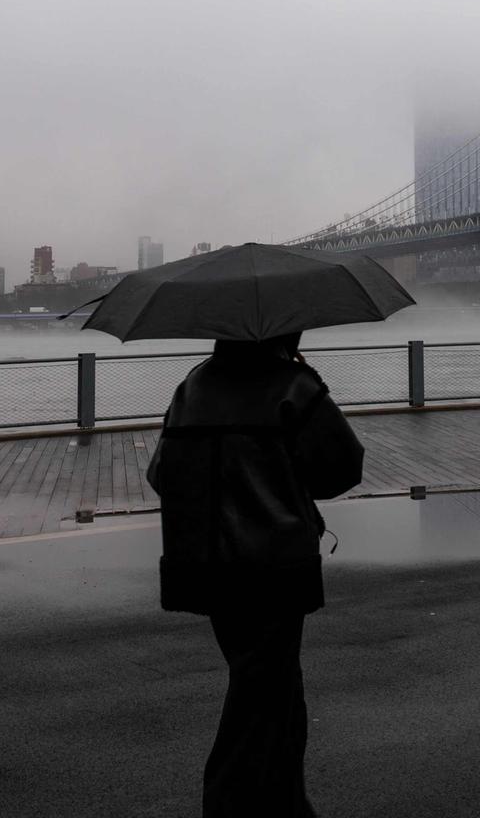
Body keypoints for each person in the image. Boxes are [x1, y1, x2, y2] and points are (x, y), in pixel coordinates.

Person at [145, 333, 365, 818]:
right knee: (260, 696)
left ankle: (288, 804)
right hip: (274, 565)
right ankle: (230, 805)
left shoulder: (193, 386)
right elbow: (342, 470)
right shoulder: (294, 386)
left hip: (205, 566)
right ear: (282, 332)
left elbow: (161, 474)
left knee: (275, 687)